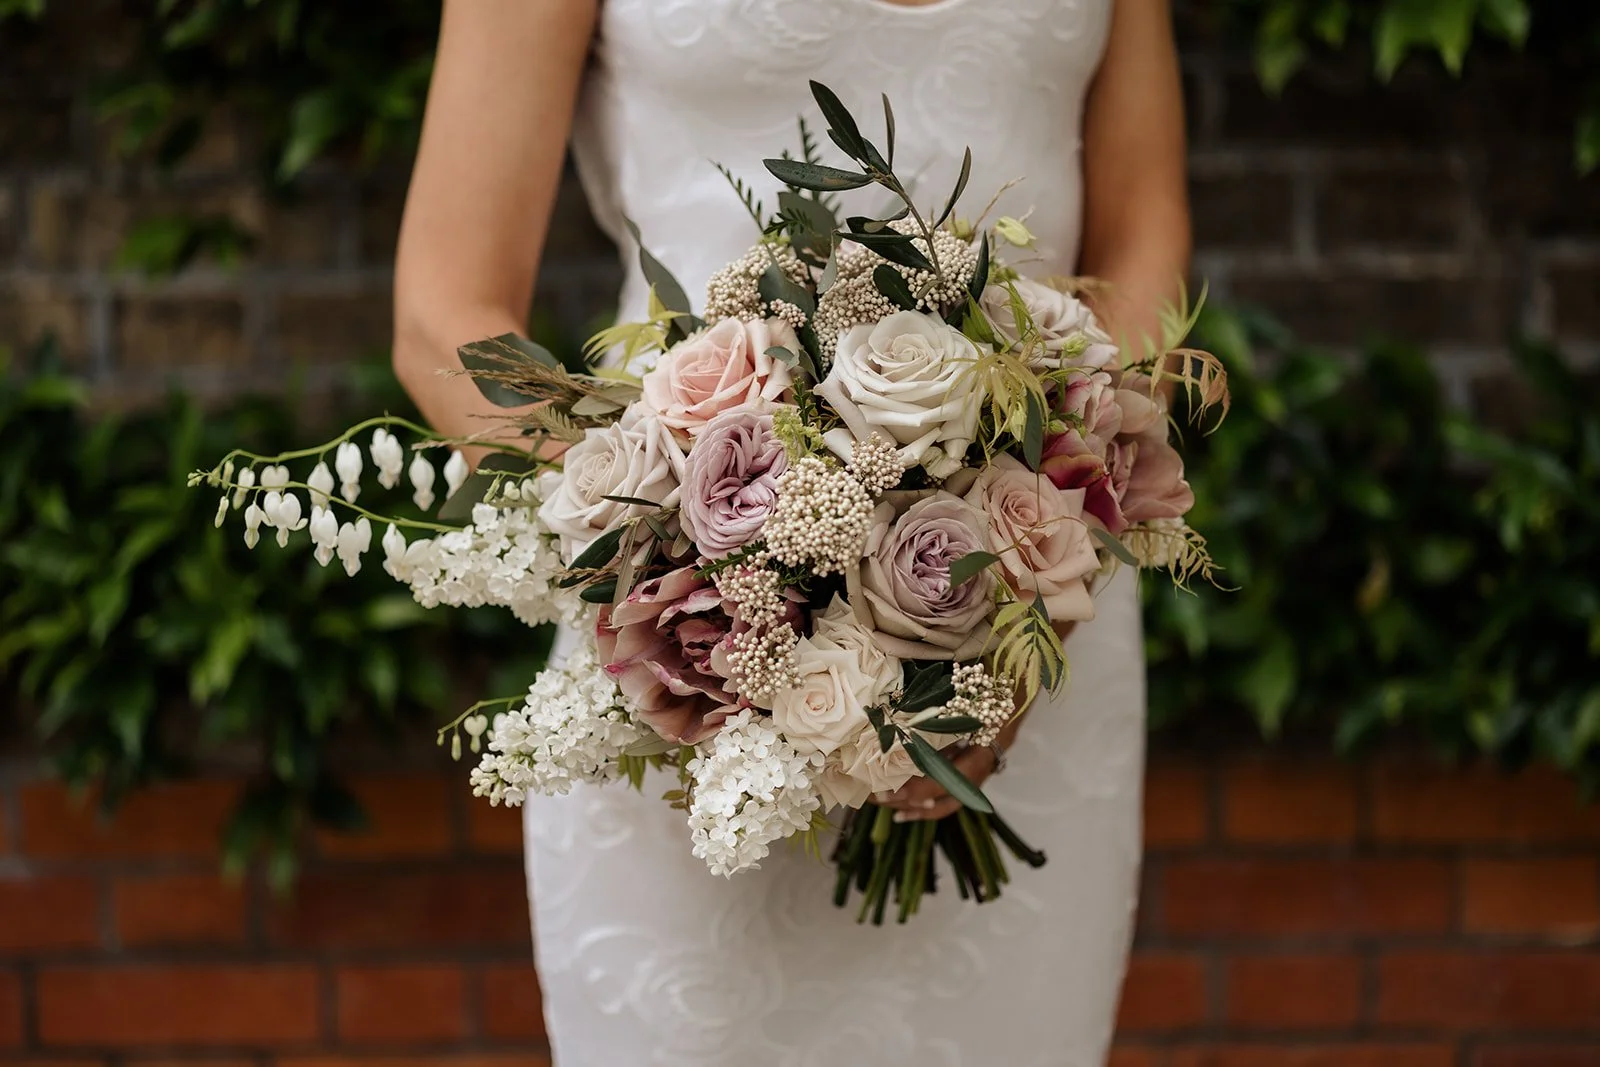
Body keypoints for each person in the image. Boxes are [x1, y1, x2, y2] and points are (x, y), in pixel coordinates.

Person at [392, 2, 1189, 1063]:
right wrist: (698, 565)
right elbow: (440, 310)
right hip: (693, 662)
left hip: (1030, 628)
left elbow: (1143, 233)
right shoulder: (695, 598)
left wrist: (1036, 560)